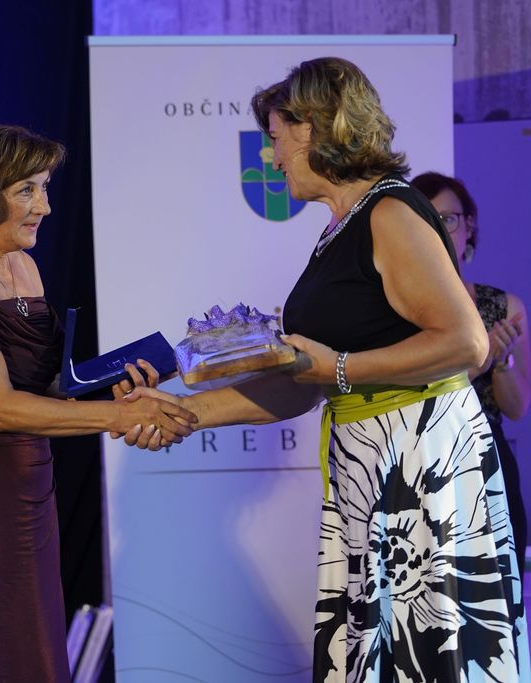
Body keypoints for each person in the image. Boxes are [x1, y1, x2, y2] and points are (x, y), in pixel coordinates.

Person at [126, 58, 530, 681]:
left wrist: (338, 367)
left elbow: (466, 343)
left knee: (427, 655)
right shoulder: (340, 226)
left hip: (419, 465)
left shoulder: (391, 211)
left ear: (316, 128)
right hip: (370, 463)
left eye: (276, 137)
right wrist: (182, 411)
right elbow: (301, 386)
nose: (271, 157)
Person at [0, 123, 194, 681]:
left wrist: (120, 384)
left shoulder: (23, 266)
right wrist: (121, 415)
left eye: (45, 188)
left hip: (27, 484)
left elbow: (47, 386)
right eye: (28, 190)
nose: (46, 207)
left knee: (28, 649)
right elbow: (2, 409)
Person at [413, 171, 530, 569]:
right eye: (427, 219)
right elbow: (415, 395)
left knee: (498, 580)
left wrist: (501, 359)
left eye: (448, 219)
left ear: (469, 227)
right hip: (424, 461)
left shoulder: (504, 307)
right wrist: (480, 361)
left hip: (486, 457)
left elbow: (516, 408)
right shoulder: (396, 311)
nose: (439, 230)